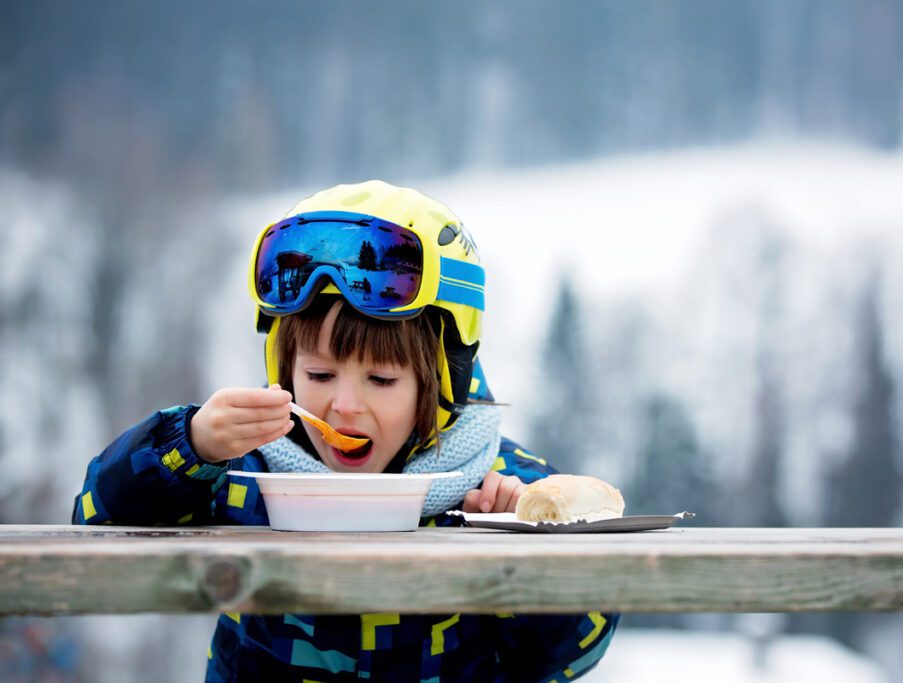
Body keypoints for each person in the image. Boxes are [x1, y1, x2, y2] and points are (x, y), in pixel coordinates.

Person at [73, 180, 619, 682]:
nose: (345, 405)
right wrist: (187, 446)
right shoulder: (244, 474)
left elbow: (578, 648)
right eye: (319, 374)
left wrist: (524, 547)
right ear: (282, 370)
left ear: (442, 383)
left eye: (381, 379)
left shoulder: (499, 488)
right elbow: (94, 520)